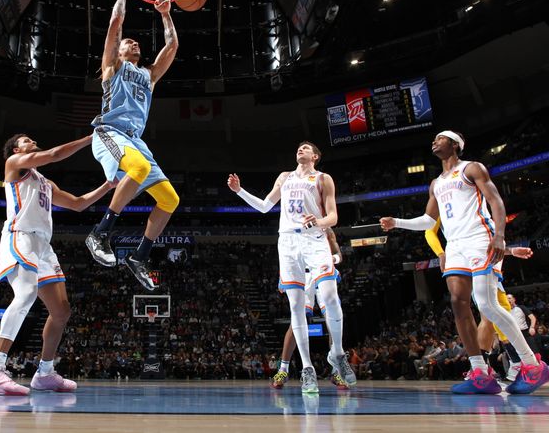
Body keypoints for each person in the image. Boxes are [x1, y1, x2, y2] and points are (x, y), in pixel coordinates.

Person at [380, 130, 549, 394]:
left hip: (479, 239)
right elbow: (428, 220)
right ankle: (480, 373)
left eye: (440, 138)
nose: (434, 141)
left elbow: (496, 200)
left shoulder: (472, 168)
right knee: (458, 304)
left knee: (487, 305)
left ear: (455, 145)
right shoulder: (436, 182)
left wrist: (500, 236)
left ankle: (533, 365)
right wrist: (397, 223)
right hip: (455, 245)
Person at [0, 133, 114, 395]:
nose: (33, 141)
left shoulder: (44, 181)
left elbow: (77, 204)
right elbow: (54, 155)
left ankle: (45, 372)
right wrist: (91, 138)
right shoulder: (15, 164)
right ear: (17, 148)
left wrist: (108, 185)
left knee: (62, 311)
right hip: (21, 236)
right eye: (27, 140)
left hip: (43, 246)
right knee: (26, 293)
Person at [228, 141, 355, 393]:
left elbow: (333, 217)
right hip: (287, 242)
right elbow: (264, 206)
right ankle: (307, 369)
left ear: (315, 156)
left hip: (314, 238)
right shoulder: (284, 177)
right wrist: (240, 191)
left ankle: (337, 353)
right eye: (299, 147)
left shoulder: (323, 178)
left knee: (329, 296)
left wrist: (318, 221)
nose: (301, 149)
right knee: (296, 308)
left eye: (306, 148)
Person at [85, 0, 180, 291]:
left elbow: (172, 47)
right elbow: (115, 24)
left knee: (170, 199)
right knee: (137, 168)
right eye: (129, 42)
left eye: (137, 43)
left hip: (135, 141)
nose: (134, 43)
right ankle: (100, 232)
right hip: (109, 132)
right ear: (120, 50)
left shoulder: (148, 75)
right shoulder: (112, 67)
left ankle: (139, 256)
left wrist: (166, 14)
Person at [426, 218, 534, 381]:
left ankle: (495, 366)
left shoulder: (473, 209)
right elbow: (428, 230)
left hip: (481, 259)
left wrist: (509, 250)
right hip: (474, 261)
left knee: (492, 313)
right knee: (493, 312)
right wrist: (441, 254)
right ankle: (514, 362)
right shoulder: (448, 206)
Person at [271, 227, 350, 388]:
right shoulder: (292, 227)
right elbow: (286, 255)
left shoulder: (326, 229)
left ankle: (336, 371)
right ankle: (283, 369)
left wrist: (331, 260)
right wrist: (283, 276)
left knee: (331, 319)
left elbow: (338, 255)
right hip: (302, 275)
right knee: (297, 321)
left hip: (321, 272)